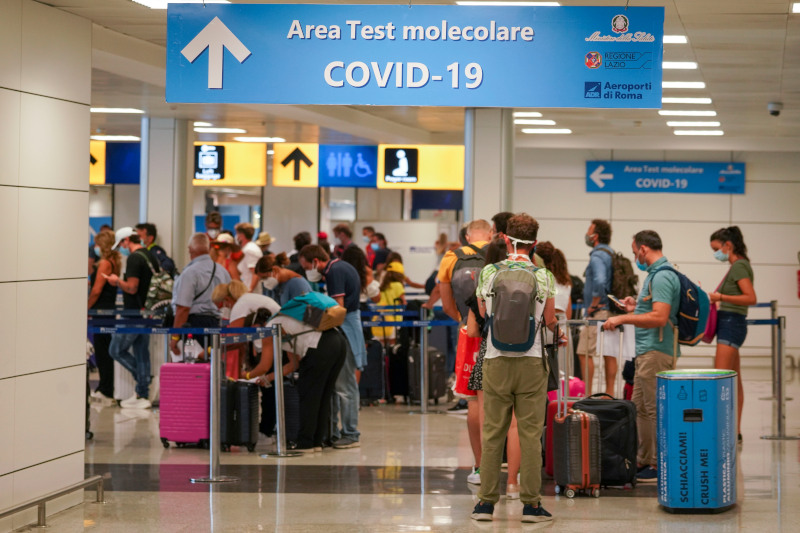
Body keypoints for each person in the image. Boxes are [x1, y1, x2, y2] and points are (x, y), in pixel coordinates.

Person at [471, 213, 561, 523]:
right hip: (532, 363)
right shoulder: (543, 276)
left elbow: (484, 314)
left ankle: (485, 504)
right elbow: (549, 320)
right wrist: (557, 333)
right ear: (534, 242)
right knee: (530, 434)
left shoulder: (489, 273)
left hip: (496, 361)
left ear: (506, 239)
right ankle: (531, 505)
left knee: (493, 432)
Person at [602, 230, 680, 483]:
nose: (636, 256)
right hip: (646, 352)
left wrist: (621, 318)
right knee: (641, 408)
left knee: (653, 408)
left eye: (636, 252)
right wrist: (635, 307)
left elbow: (660, 317)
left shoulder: (662, 276)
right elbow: (653, 310)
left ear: (644, 249)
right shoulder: (654, 276)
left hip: (656, 353)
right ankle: (645, 459)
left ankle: (657, 464)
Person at [466, 237, 523, 501]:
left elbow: (475, 331)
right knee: (514, 425)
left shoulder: (483, 284)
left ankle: (487, 483)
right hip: (523, 356)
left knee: (491, 424)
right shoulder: (525, 283)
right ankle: (513, 483)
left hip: (489, 356)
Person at [243, 309, 348, 453]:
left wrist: (246, 376)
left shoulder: (269, 328)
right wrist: (268, 378)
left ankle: (305, 443)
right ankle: (317, 441)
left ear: (255, 325)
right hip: (338, 342)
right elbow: (294, 364)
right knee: (323, 396)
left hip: (319, 346)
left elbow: (264, 365)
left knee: (308, 396)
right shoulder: (285, 320)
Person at [437, 219, 492, 484]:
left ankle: (481, 467)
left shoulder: (451, 257)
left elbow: (447, 305)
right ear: (491, 233)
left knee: (473, 401)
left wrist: (466, 320)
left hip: (468, 335)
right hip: (501, 334)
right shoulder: (499, 253)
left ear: (467, 236)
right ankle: (507, 467)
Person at [298, 244, 366, 449]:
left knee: (345, 386)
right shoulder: (341, 267)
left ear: (316, 262)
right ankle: (335, 431)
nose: (307, 271)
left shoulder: (334, 271)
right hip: (348, 326)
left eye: (306, 266)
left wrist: (314, 320)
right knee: (338, 385)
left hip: (345, 328)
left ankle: (351, 433)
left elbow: (338, 309)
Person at [709, 226, 756, 441]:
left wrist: (720, 297)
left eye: (717, 249)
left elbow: (750, 298)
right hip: (732, 324)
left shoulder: (739, 267)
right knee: (734, 380)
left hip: (731, 323)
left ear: (728, 245)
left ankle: (721, 430)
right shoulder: (740, 265)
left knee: (720, 378)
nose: (716, 254)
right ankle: (734, 430)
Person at [105, 227, 154, 409]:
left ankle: (144, 381)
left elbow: (132, 287)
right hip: (147, 312)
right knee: (141, 351)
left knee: (116, 350)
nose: (121, 249)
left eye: (121, 245)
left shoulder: (134, 258)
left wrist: (117, 281)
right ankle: (142, 394)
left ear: (127, 240)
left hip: (133, 313)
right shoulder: (149, 255)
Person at [169, 233, 231, 357]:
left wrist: (175, 337)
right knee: (212, 365)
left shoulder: (190, 273)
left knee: (193, 368)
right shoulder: (223, 271)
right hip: (215, 324)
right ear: (208, 248)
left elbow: (183, 308)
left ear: (190, 250)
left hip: (192, 326)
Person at [577, 219, 616, 396]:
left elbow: (599, 281)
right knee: (609, 353)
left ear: (596, 235)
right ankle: (610, 393)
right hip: (610, 311)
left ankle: (587, 394)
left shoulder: (597, 255)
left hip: (597, 311)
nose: (586, 234)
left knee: (583, 351)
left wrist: (593, 304)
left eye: (589, 230)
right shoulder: (611, 253)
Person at [87, 229, 119, 405]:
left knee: (103, 350)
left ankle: (106, 389)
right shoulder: (113, 261)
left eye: (98, 244)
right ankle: (105, 386)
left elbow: (97, 290)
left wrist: (86, 309)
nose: (96, 247)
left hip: (102, 312)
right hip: (107, 311)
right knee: (105, 350)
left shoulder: (106, 263)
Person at [371, 261, 407, 342]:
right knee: (392, 344)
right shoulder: (398, 285)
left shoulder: (383, 285)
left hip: (380, 317)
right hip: (394, 319)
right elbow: (403, 302)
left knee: (382, 344)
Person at [235, 222, 263, 291]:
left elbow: (256, 272)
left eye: (237, 233)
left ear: (242, 235)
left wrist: (250, 290)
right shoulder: (247, 248)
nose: (237, 236)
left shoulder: (250, 250)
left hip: (249, 292)